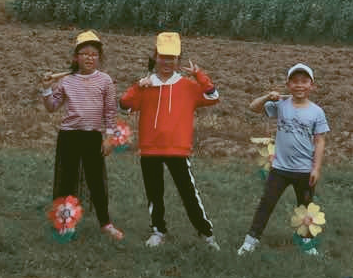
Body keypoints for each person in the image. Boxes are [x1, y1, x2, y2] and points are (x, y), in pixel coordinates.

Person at [118, 31, 221, 249]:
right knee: (154, 193)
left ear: (178, 60)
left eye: (172, 58)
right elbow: (124, 105)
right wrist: (138, 86)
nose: (166, 62)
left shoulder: (187, 86)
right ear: (155, 57)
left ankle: (206, 233)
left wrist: (200, 75)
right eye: (163, 57)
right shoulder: (146, 86)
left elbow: (213, 96)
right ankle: (158, 230)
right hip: (149, 149)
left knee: (188, 193)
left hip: (178, 149)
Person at [40, 30, 124, 242]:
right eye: (84, 54)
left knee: (96, 182)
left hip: (93, 137)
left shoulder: (105, 81)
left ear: (99, 58)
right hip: (69, 137)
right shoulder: (66, 81)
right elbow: (51, 107)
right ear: (76, 58)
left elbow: (110, 112)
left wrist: (109, 137)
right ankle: (65, 223)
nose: (89, 58)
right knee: (66, 182)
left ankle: (106, 224)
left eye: (94, 54)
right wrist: (46, 89)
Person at [237, 63, 328, 256]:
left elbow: (320, 141)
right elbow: (253, 107)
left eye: (304, 82)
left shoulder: (316, 112)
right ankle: (250, 240)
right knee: (266, 203)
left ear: (312, 85)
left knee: (305, 209)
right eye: (295, 82)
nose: (299, 86)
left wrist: (316, 168)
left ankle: (307, 243)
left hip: (304, 170)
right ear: (288, 84)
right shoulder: (280, 105)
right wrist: (267, 97)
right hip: (280, 169)